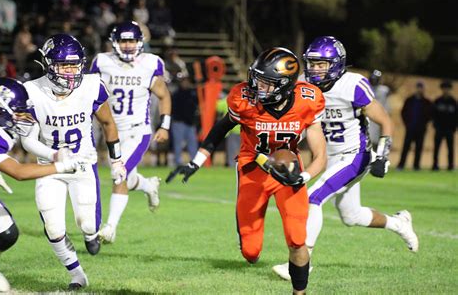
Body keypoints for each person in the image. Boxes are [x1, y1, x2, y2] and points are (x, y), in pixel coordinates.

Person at [167, 48, 327, 294]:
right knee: (251, 252)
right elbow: (221, 128)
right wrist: (196, 161)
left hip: (288, 170)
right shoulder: (244, 97)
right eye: (257, 78)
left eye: (265, 83)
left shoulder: (308, 100)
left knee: (297, 240)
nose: (256, 86)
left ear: (284, 85)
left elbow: (321, 157)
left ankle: (299, 292)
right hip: (253, 169)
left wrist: (301, 177)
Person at [272, 36, 419, 281]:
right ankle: (399, 223)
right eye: (313, 63)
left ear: (337, 64)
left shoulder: (352, 85)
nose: (316, 69)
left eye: (322, 64)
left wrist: (383, 154)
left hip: (354, 155)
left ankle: (301, 264)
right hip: (327, 157)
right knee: (352, 216)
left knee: (312, 197)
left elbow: (385, 121)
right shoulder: (302, 85)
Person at [20, 34, 126, 290]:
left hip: (82, 164)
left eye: (74, 64)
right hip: (49, 168)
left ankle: (90, 235)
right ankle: (77, 274)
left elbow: (109, 123)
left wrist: (117, 160)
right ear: (48, 65)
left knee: (87, 223)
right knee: (54, 227)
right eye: (63, 65)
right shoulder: (31, 91)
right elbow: (27, 141)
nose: (70, 71)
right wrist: (54, 156)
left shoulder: (92, 85)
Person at [0, 77, 83, 292]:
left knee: (6, 233)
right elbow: (18, 172)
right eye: (17, 111)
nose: (21, 117)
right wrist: (60, 167)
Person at [90, 21, 171, 243]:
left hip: (137, 131)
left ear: (140, 42)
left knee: (119, 174)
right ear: (115, 43)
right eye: (124, 41)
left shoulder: (150, 63)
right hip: (111, 132)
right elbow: (89, 93)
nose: (127, 45)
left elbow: (164, 95)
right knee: (126, 175)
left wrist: (165, 125)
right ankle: (148, 185)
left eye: (132, 41)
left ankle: (110, 228)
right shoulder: (102, 62)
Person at [397, 81, 432, 170]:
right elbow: (403, 112)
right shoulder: (410, 100)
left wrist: (424, 123)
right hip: (410, 127)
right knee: (406, 147)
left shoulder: (426, 102)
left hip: (421, 129)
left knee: (419, 148)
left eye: (421, 87)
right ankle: (401, 165)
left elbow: (430, 115)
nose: (419, 89)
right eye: (418, 87)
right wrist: (407, 123)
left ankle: (416, 166)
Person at [171, 72, 199, 166]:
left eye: (186, 81)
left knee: (193, 143)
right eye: (183, 81)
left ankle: (194, 162)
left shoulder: (193, 93)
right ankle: (178, 162)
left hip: (190, 123)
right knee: (178, 144)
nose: (185, 83)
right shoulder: (176, 93)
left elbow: (196, 107)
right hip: (179, 122)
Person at [432, 81, 456, 171]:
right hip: (439, 129)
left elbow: (456, 116)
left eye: (448, 88)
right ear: (442, 89)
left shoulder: (453, 102)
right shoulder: (438, 101)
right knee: (436, 148)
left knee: (450, 148)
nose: (446, 90)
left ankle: (450, 165)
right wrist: (435, 125)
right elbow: (433, 114)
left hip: (449, 129)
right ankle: (435, 165)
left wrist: (454, 127)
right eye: (444, 88)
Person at [367, 70, 390, 149]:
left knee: (377, 142)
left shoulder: (383, 90)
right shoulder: (366, 88)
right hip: (367, 117)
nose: (373, 81)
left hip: (378, 118)